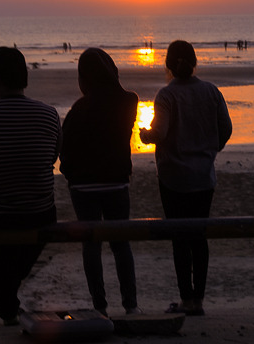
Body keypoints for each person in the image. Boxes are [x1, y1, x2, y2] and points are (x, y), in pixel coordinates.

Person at [0, 47, 61, 326]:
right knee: (32, 239)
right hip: (39, 210)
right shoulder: (49, 114)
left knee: (0, 253)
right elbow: (52, 156)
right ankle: (5, 292)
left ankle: (4, 295)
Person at [139, 40, 232, 316]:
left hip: (173, 178)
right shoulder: (211, 91)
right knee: (199, 237)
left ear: (168, 64)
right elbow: (226, 128)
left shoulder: (167, 95)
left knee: (179, 237)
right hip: (203, 176)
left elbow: (160, 132)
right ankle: (198, 300)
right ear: (195, 63)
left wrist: (145, 134)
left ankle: (186, 298)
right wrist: (211, 149)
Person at [59, 47, 140, 316]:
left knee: (91, 244)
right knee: (121, 243)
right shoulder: (128, 102)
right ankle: (131, 304)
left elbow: (65, 147)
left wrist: (70, 173)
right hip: (116, 181)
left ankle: (100, 306)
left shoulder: (79, 109)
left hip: (83, 185)